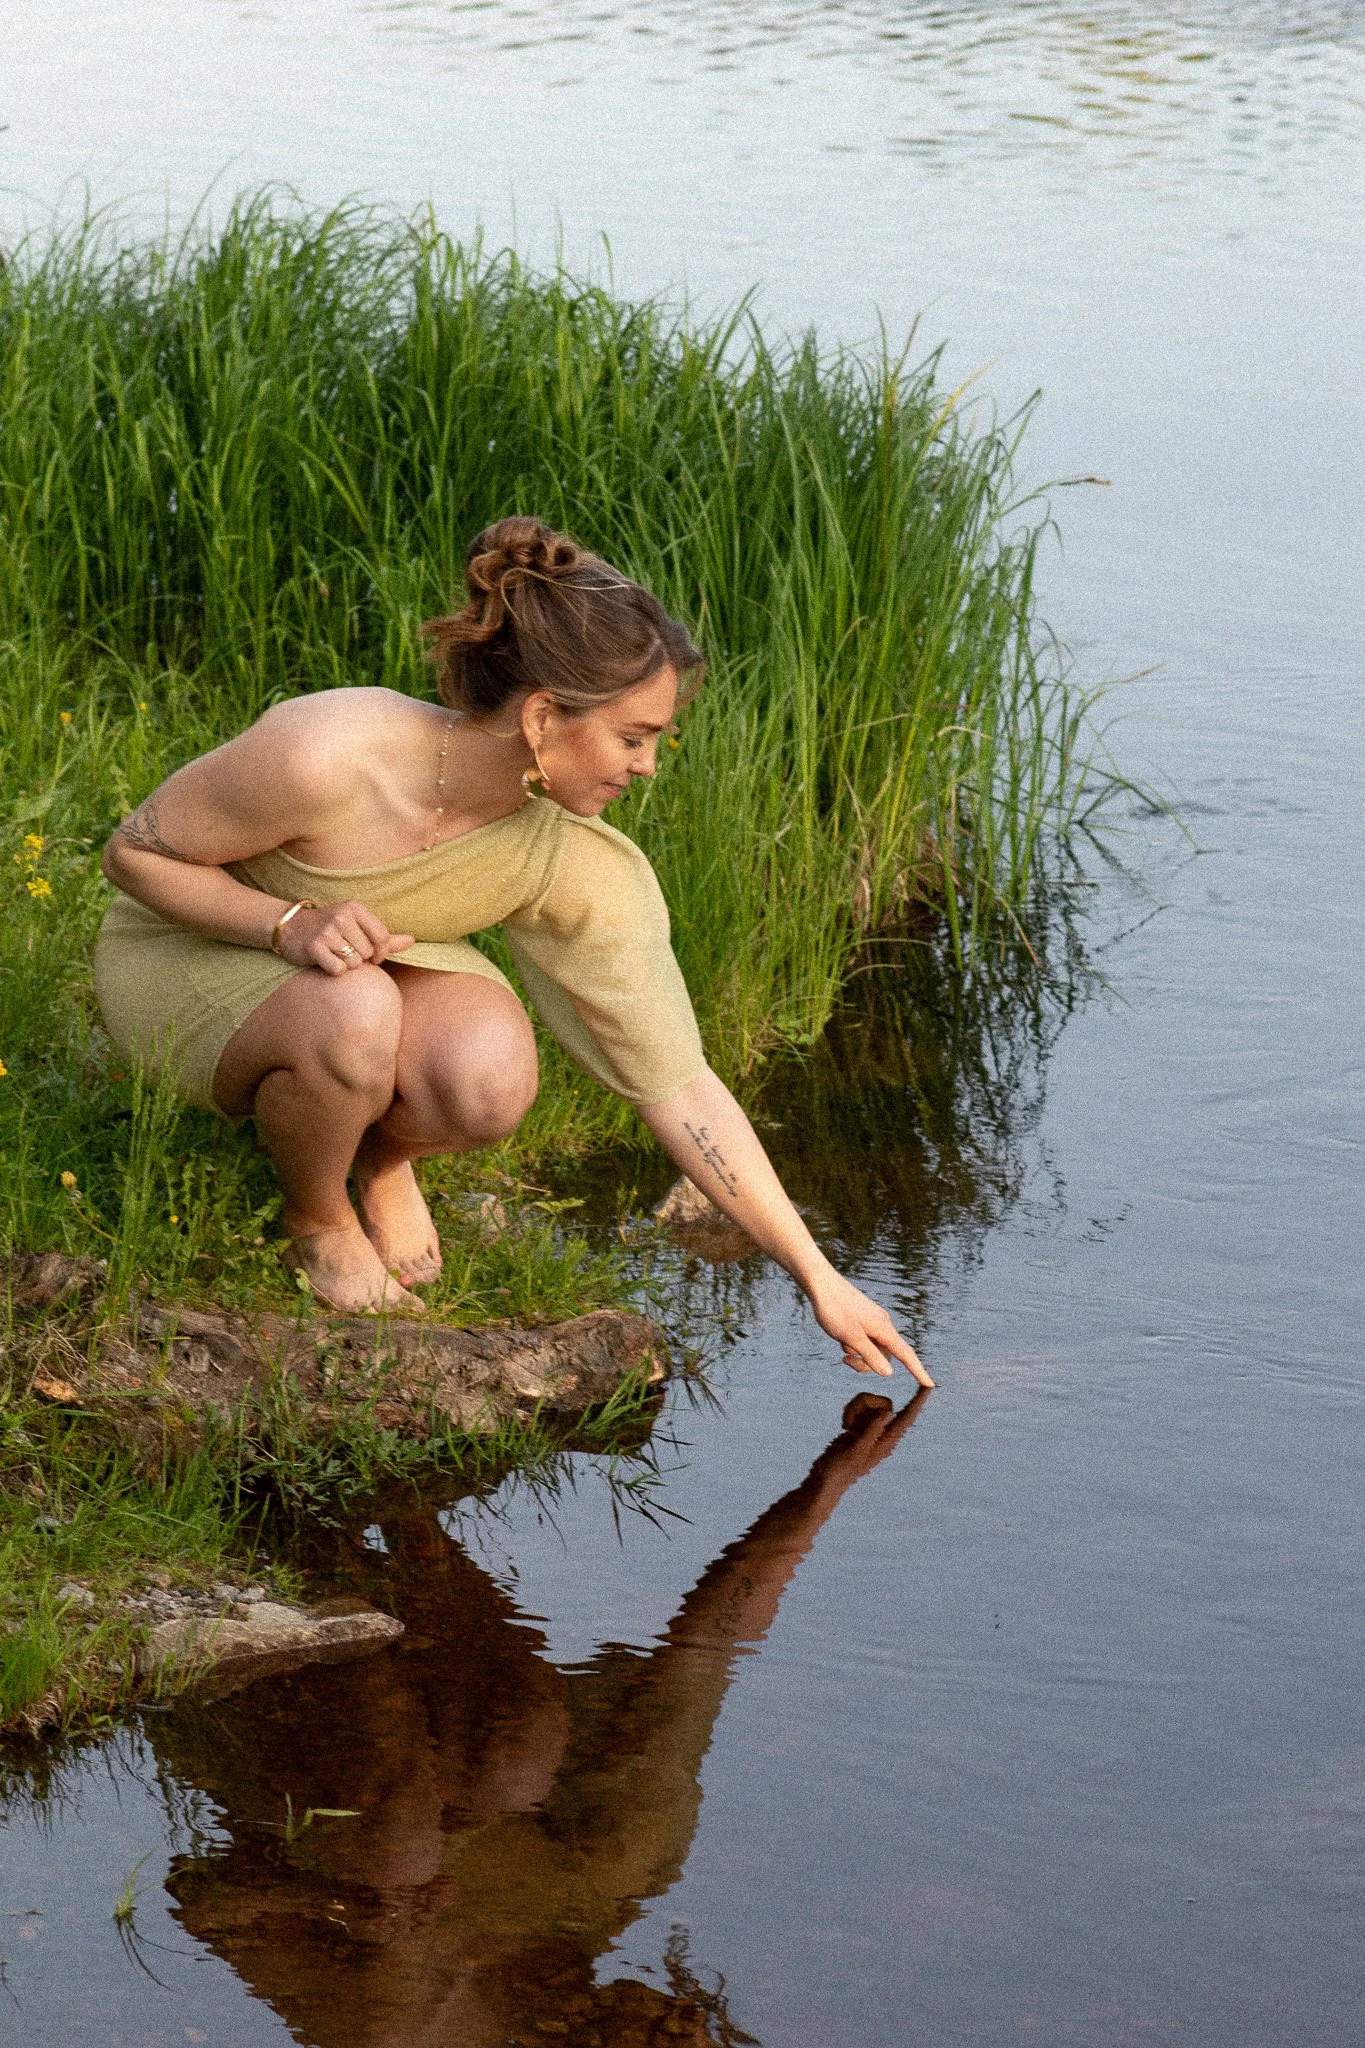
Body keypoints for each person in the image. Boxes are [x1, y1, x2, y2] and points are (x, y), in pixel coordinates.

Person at [95, 516, 930, 1384]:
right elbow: (135, 854)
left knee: (487, 1073)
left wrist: (818, 1276)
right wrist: (288, 924)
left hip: (360, 967)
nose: (647, 767)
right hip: (195, 943)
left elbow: (676, 1082)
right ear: (542, 718)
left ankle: (379, 1160)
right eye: (633, 737)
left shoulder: (564, 852)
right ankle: (318, 1222)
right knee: (355, 1012)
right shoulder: (329, 753)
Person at [159, 1392, 924, 2046]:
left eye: (678, 2035)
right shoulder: (611, 1872)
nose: (685, 2022)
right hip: (409, 1670)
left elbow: (200, 1897)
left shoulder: (404, 2026)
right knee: (509, 1766)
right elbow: (703, 1652)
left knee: (401, 1850)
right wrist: (828, 1485)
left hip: (245, 1708)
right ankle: (401, 1510)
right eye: (696, 2028)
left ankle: (278, 1534)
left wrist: (346, 1910)